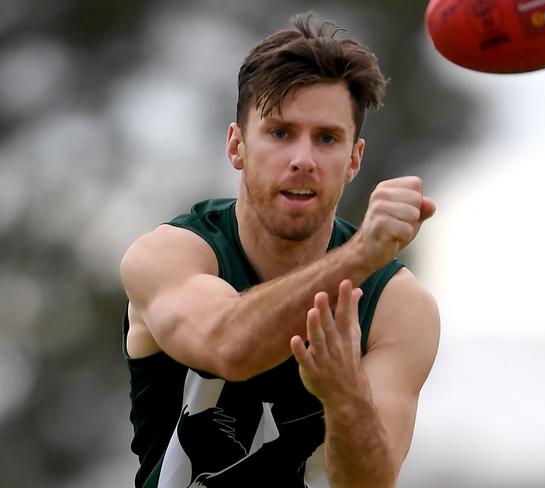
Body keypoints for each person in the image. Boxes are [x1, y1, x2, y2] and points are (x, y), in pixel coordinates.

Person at [120, 11, 440, 488]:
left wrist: (346, 397)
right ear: (237, 146)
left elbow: (369, 484)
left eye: (327, 139)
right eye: (280, 133)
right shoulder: (168, 255)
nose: (303, 160)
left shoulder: (396, 304)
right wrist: (358, 257)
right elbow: (227, 347)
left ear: (354, 159)